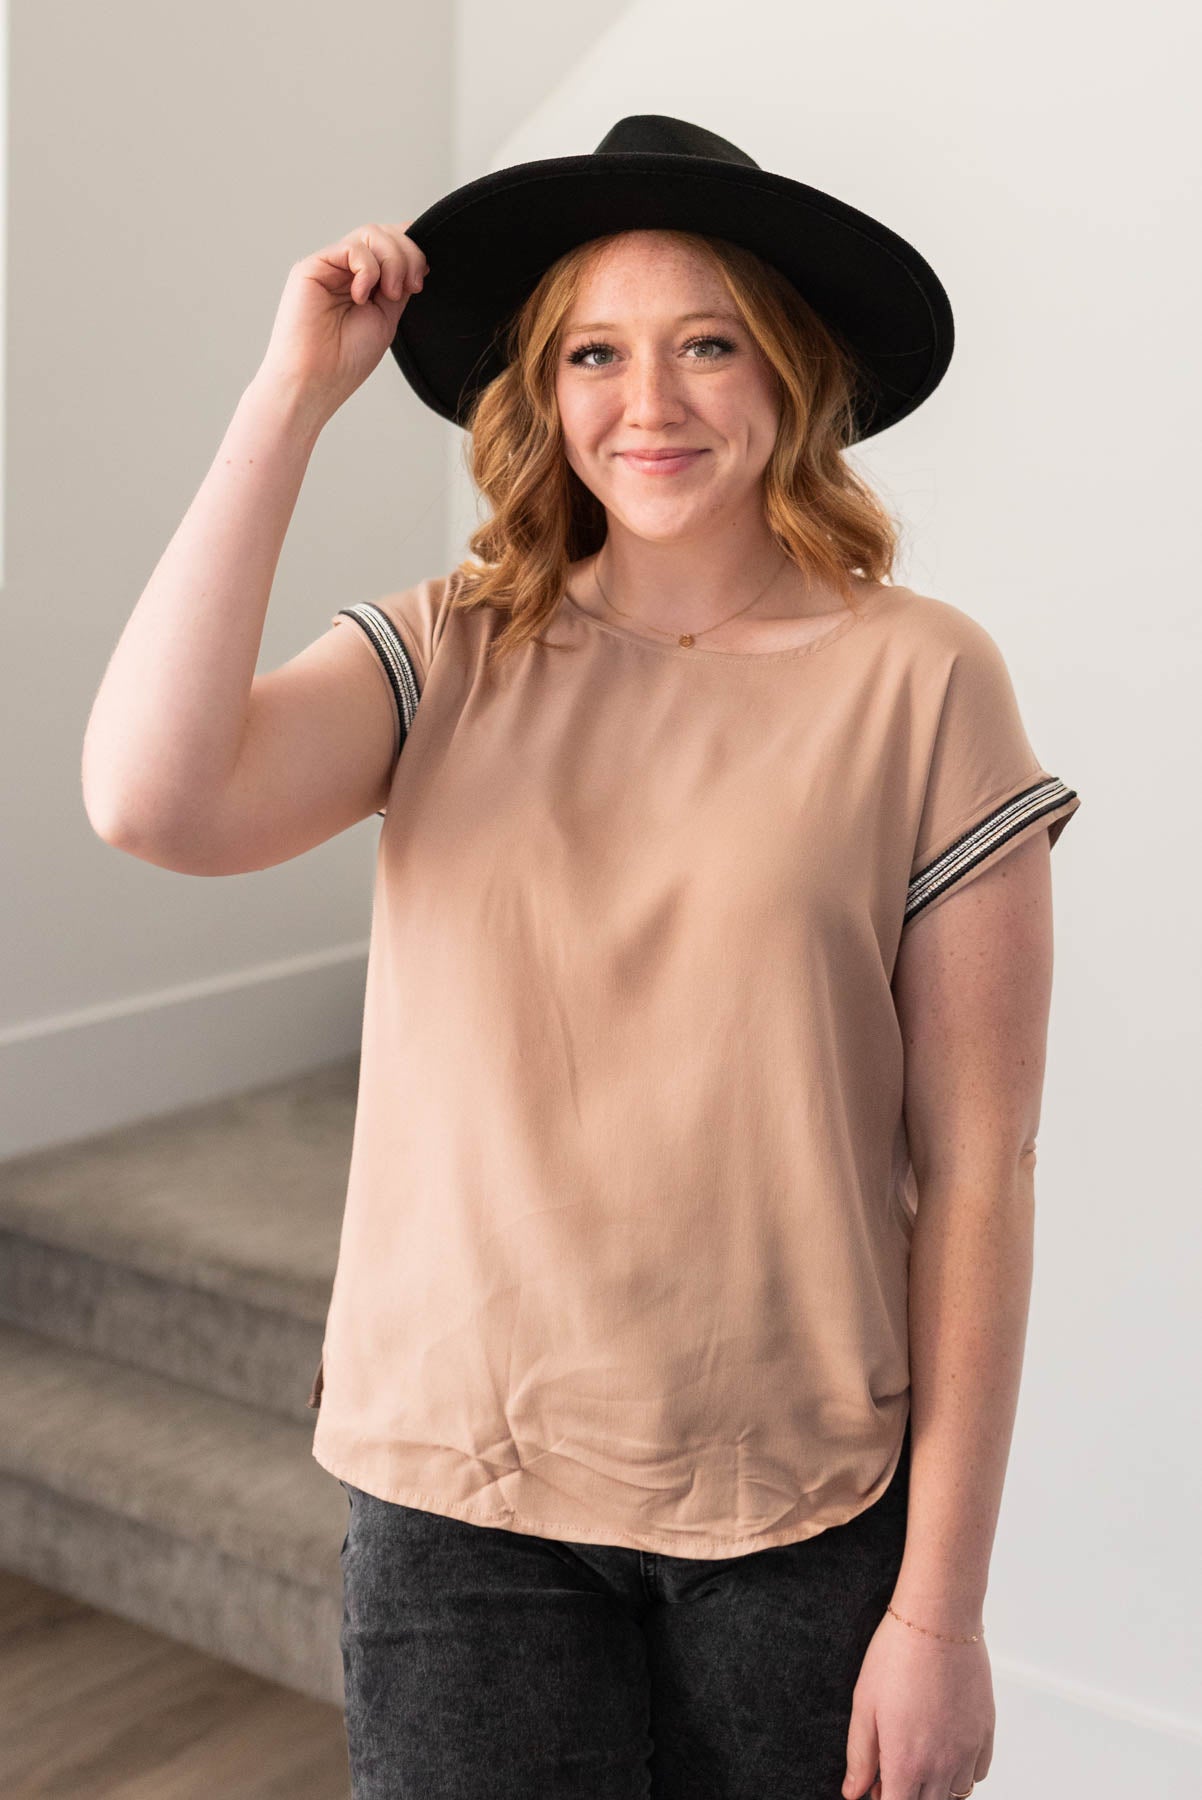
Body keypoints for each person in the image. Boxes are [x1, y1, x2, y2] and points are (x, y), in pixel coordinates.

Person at [82, 115, 1081, 1800]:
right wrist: (287, 406)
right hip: (459, 1501)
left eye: (707, 345)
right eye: (594, 356)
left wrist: (941, 1614)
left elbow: (978, 1167)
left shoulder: (922, 680)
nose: (651, 402)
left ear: (787, 372)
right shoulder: (446, 649)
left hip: (799, 1506)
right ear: (540, 395)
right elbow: (149, 797)